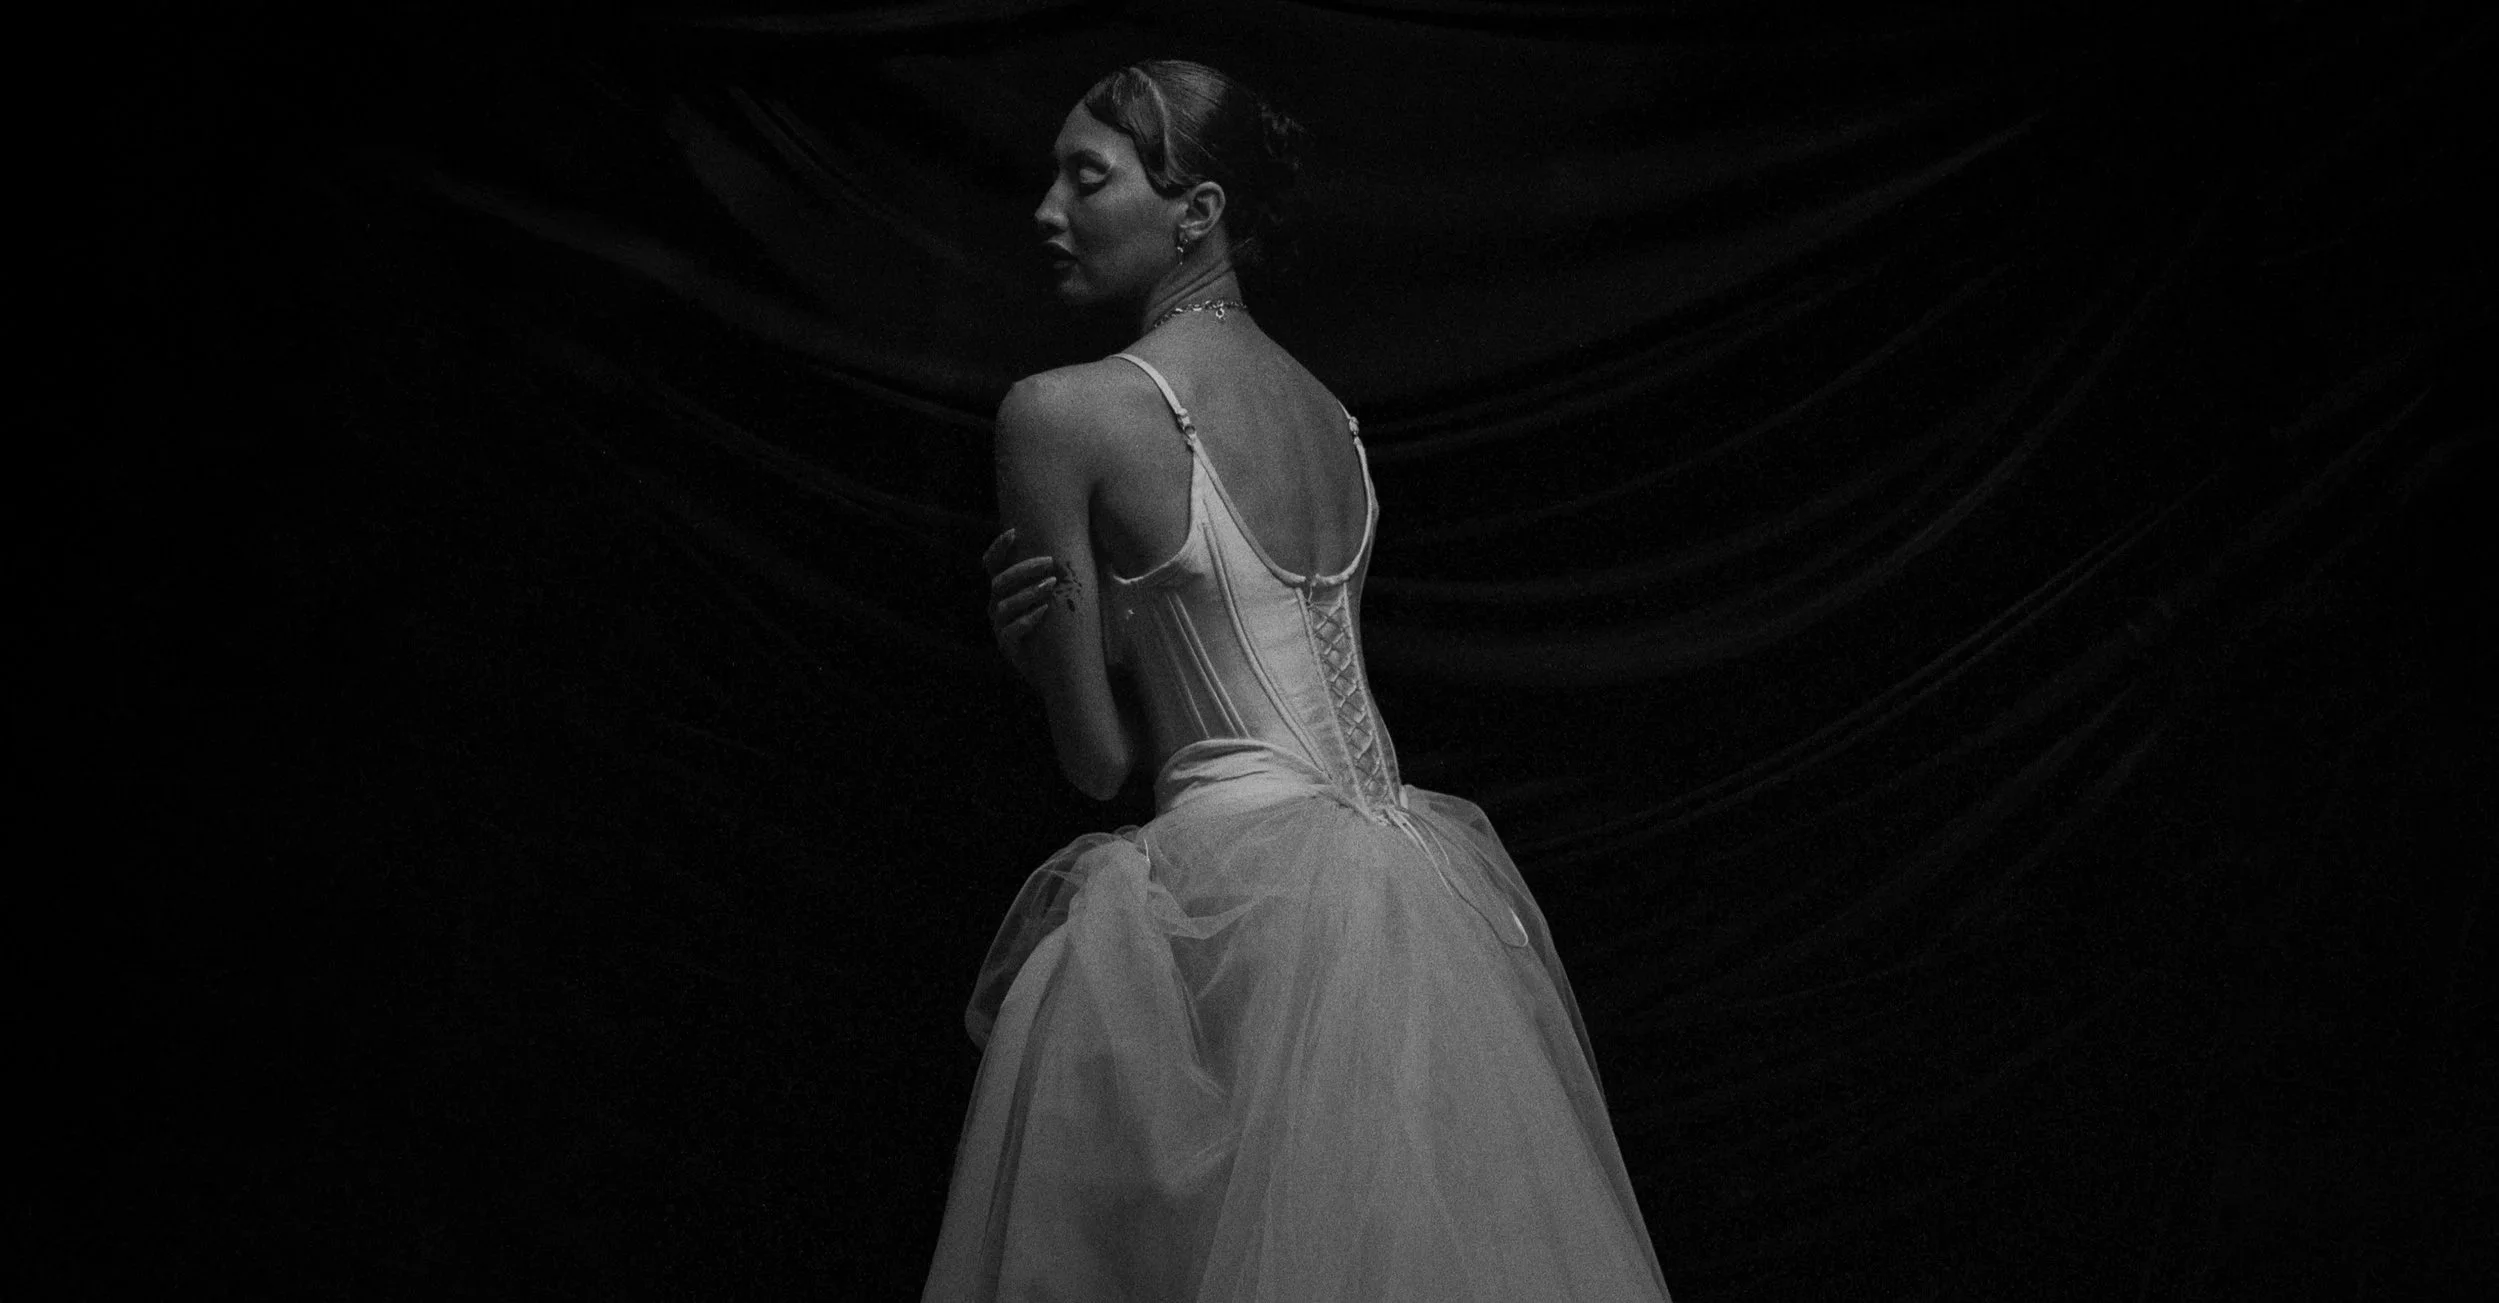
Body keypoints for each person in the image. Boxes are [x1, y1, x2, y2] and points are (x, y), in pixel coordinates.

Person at [923, 60, 1672, 1301]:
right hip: (1410, 890)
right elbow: (1256, 633)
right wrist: (1112, 631)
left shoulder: (1060, 414)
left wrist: (1047, 652)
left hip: (1225, 904)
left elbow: (1100, 761)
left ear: (1197, 212)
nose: (1047, 212)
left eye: (1088, 176)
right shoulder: (1332, 421)